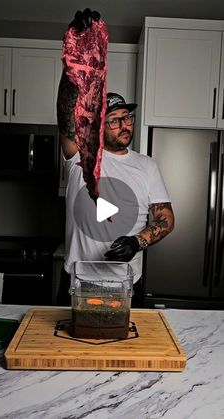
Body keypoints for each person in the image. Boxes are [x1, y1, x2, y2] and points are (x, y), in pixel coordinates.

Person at [56, 9, 174, 307]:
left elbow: (165, 219)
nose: (125, 125)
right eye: (114, 120)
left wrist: (137, 242)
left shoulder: (147, 166)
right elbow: (66, 119)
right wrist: (76, 53)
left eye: (127, 117)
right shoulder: (80, 157)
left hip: (124, 285)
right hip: (78, 281)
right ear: (96, 125)